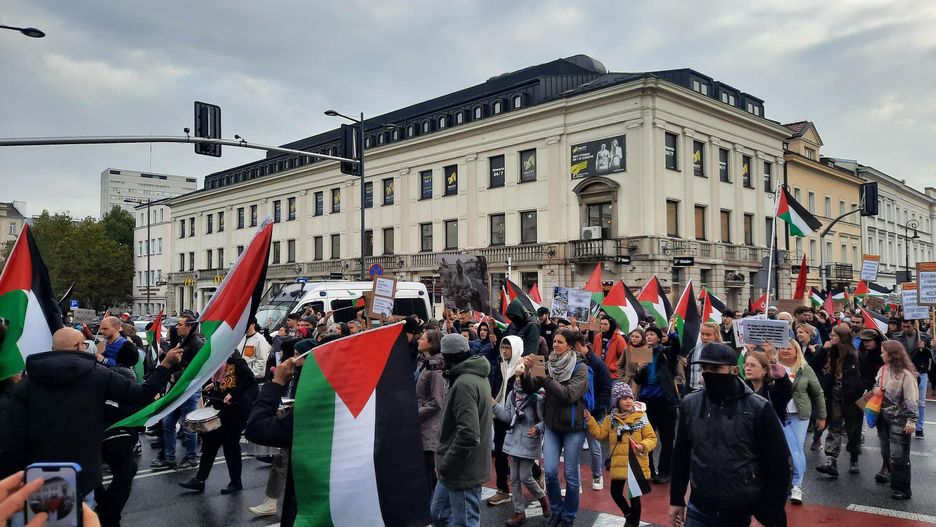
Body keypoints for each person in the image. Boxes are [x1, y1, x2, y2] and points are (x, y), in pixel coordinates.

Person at [0, 327, 179, 502]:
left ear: (53, 349)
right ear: (79, 346)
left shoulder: (26, 384)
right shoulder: (98, 375)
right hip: (82, 473)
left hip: (38, 474)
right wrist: (165, 366)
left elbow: (11, 435)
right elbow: (141, 395)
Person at [669, 343, 791, 527]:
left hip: (745, 512)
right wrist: (676, 498)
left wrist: (765, 516)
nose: (709, 373)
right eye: (705, 368)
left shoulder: (758, 408)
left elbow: (780, 466)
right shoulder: (690, 404)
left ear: (734, 370)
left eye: (717, 368)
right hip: (700, 508)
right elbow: (681, 455)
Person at [520, 328, 589, 527]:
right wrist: (526, 371)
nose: (555, 345)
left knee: (570, 475)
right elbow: (529, 388)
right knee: (549, 472)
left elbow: (569, 395)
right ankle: (556, 511)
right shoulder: (548, 362)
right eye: (554, 341)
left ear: (569, 344)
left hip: (573, 427)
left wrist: (543, 378)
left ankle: (568, 516)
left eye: (560, 342)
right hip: (551, 425)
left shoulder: (580, 367)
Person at [431, 334, 493, 527]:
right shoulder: (468, 376)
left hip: (463, 468)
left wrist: (446, 463)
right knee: (439, 513)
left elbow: (468, 435)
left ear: (449, 356)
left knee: (465, 522)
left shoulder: (464, 384)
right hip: (455, 466)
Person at [178, 349, 256, 494]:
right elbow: (221, 381)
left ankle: (236, 482)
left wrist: (232, 394)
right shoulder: (220, 359)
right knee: (209, 445)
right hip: (219, 409)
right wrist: (213, 386)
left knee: (230, 447)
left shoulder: (236, 361)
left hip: (234, 411)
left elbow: (250, 380)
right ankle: (199, 480)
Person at [585, 383, 656, 527]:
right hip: (619, 462)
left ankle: (633, 523)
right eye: (623, 398)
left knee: (634, 497)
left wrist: (642, 446)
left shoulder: (641, 418)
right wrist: (590, 420)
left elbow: (652, 438)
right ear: (616, 401)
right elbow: (599, 434)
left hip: (636, 462)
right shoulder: (611, 419)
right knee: (615, 493)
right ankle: (629, 515)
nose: (628, 401)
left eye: (630, 397)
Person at [492, 362, 550, 526]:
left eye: (521, 375)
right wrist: (495, 406)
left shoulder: (538, 397)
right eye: (516, 376)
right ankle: (519, 512)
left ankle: (542, 498)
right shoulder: (512, 394)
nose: (518, 379)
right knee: (515, 478)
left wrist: (538, 428)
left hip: (529, 441)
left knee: (525, 475)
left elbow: (546, 420)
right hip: (514, 439)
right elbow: (509, 417)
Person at [95, 345, 145, 527]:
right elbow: (134, 399)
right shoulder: (127, 376)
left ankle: (105, 512)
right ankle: (107, 515)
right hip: (117, 432)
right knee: (125, 474)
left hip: (97, 431)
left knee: (93, 475)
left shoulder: (105, 372)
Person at [810, 325, 864, 477]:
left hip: (852, 397)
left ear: (843, 337)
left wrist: (858, 389)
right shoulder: (829, 351)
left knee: (853, 429)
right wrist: (823, 349)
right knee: (834, 425)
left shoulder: (855, 354)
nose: (831, 337)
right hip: (834, 393)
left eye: (834, 335)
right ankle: (831, 460)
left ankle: (854, 459)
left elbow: (867, 375)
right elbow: (814, 365)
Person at [152, 315, 204, 470]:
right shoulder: (183, 341)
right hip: (175, 388)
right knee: (168, 423)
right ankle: (169, 457)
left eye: (180, 324)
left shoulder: (196, 344)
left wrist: (177, 375)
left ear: (189, 327)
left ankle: (191, 457)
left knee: (188, 425)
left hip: (188, 388)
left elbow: (197, 367)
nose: (177, 327)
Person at [777, 340, 825, 505]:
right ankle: (778, 483)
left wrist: (822, 416)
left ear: (796, 351)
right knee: (778, 450)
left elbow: (818, 393)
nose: (785, 350)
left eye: (789, 348)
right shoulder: (772, 366)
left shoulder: (804, 369)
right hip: (777, 415)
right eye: (782, 347)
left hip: (798, 416)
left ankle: (797, 486)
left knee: (796, 450)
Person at [632, 326, 680, 484]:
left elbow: (676, 347)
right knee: (647, 437)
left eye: (652, 334)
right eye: (647, 334)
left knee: (667, 439)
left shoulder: (665, 352)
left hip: (665, 401)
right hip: (647, 403)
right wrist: (639, 369)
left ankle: (665, 472)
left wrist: (673, 331)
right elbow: (638, 380)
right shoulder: (643, 352)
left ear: (659, 338)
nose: (649, 336)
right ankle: (649, 469)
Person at [873, 341, 919, 500]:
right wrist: (876, 388)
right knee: (886, 451)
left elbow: (912, 400)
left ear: (892, 354)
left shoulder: (906, 375)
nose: (880, 355)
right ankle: (892, 475)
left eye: (883, 352)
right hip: (883, 417)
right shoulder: (883, 369)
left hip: (900, 420)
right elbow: (875, 385)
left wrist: (912, 420)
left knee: (899, 455)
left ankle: (903, 488)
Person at [487, 336, 524, 507]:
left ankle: (537, 473)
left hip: (518, 417)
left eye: (508, 347)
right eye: (503, 347)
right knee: (501, 452)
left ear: (516, 348)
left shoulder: (523, 367)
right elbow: (495, 387)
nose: (505, 351)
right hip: (500, 414)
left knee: (519, 454)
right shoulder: (500, 365)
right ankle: (502, 489)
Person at [575, 333, 611, 492]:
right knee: (574, 446)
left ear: (578, 345)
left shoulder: (597, 363)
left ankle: (598, 476)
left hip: (594, 413)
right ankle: (576, 481)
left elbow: (605, 388)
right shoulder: (574, 361)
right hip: (577, 410)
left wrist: (597, 409)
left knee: (594, 446)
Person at [416, 330, 445, 496]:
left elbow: (437, 402)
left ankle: (438, 511)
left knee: (430, 471)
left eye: (423, 338)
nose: (419, 340)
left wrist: (416, 413)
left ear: (432, 344)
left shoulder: (436, 367)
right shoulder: (426, 362)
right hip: (424, 424)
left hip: (430, 427)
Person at [893, 319, 932, 438]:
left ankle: (919, 428)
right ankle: (905, 424)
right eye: (903, 326)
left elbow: (932, 356)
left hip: (920, 373)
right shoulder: (897, 337)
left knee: (920, 402)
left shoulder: (926, 337)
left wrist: (925, 348)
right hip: (903, 373)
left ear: (914, 325)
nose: (905, 329)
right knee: (903, 401)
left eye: (908, 326)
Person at [743, 347, 793, 422]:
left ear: (765, 370)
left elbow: (786, 386)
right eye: (746, 365)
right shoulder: (742, 390)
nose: (748, 368)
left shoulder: (773, 391)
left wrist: (772, 362)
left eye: (753, 365)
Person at [237, 317, 273, 381]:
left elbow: (261, 360)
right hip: (240, 375)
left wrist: (251, 374)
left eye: (247, 323)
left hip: (252, 378)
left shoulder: (260, 340)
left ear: (253, 325)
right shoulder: (241, 338)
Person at [593, 316, 626, 381]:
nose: (602, 326)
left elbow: (625, 358)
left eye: (605, 324)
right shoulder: (597, 337)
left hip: (612, 376)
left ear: (611, 325)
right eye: (601, 324)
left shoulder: (619, 339)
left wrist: (611, 366)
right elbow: (594, 354)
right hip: (598, 373)